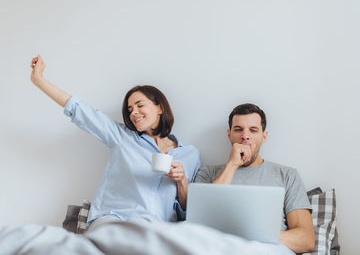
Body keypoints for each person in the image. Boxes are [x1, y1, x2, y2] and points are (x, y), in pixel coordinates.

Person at [29, 55, 200, 229]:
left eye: (140, 105)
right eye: (130, 109)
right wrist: (39, 79)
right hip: (115, 219)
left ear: (160, 108)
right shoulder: (122, 137)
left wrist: (182, 182)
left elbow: (186, 211)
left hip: (156, 228)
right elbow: (79, 109)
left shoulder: (190, 155)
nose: (134, 112)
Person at [193, 103, 315, 254]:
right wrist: (232, 164)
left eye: (253, 130)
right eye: (238, 130)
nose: (245, 135)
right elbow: (199, 228)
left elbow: (306, 240)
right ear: (229, 134)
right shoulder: (207, 173)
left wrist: (251, 234)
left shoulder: (287, 175)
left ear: (264, 136)